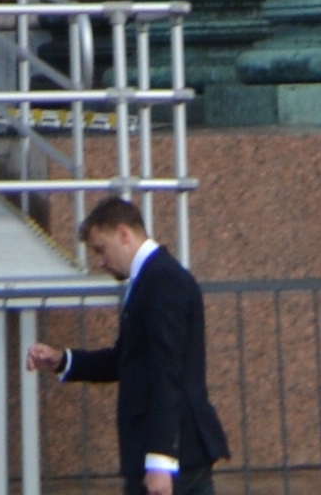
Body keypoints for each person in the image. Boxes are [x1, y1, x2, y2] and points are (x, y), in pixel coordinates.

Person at [29, 192, 225, 495]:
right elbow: (126, 359)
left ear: (123, 234)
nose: (100, 261)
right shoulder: (153, 279)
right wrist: (63, 361)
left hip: (171, 454)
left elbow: (167, 373)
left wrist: (160, 461)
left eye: (101, 249)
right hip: (174, 451)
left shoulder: (161, 281)